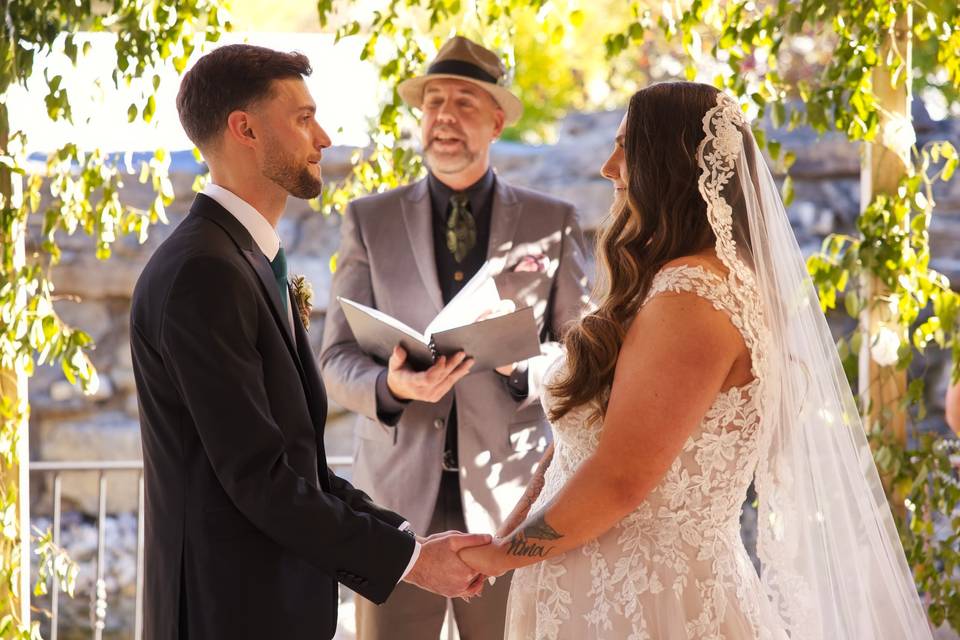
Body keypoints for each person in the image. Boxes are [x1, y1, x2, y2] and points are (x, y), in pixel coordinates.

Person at [459, 81, 934, 639]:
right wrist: (504, 538)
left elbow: (620, 481)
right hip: (598, 591)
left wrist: (501, 559)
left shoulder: (692, 298)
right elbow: (580, 447)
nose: (610, 168)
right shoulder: (675, 284)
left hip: (650, 605)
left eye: (626, 148)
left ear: (670, 164)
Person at [130, 44, 487, 640]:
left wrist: (408, 544)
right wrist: (414, 563)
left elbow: (302, 464)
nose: (322, 138)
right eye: (302, 118)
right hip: (228, 615)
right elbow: (259, 478)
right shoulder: (204, 272)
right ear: (244, 129)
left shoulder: (242, 258)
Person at [319, 35, 590, 639]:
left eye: (464, 102)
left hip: (513, 507)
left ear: (495, 121)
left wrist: (521, 368)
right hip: (394, 515)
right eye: (433, 101)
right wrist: (388, 386)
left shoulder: (554, 221)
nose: (444, 116)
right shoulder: (368, 219)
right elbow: (334, 359)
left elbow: (583, 354)